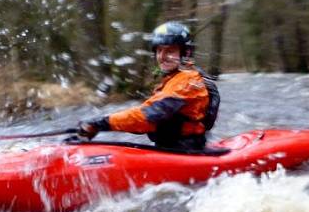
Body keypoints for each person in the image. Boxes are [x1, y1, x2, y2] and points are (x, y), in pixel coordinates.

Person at [77, 21, 219, 151]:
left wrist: (101, 123)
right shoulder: (175, 79)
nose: (162, 57)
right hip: (172, 148)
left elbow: (147, 118)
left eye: (169, 51)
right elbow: (141, 119)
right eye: (159, 50)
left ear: (185, 53)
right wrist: (102, 125)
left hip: (184, 151)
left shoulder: (186, 82)